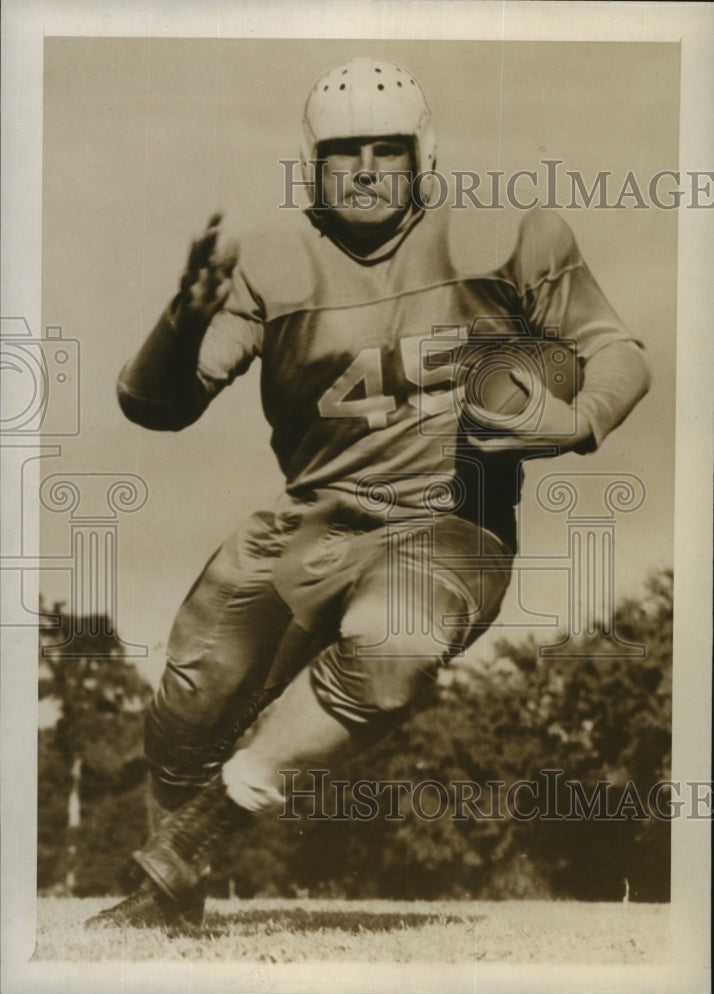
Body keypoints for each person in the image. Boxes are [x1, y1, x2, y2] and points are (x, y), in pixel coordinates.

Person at [87, 56, 651, 928]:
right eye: (345, 151)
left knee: (394, 646)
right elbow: (156, 408)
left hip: (449, 521)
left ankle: (211, 823)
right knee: (189, 709)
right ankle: (170, 898)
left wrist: (574, 423)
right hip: (314, 516)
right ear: (311, 160)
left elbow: (620, 351)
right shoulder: (272, 260)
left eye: (388, 149)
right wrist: (178, 320)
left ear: (423, 153)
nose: (365, 169)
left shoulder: (511, 232)